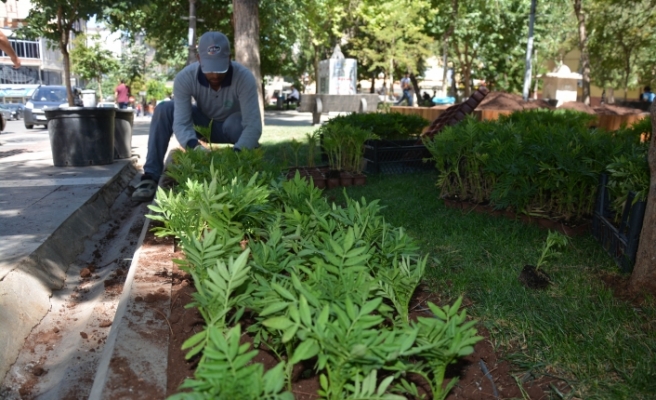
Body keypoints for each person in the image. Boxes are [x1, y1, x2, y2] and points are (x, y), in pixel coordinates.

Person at [132, 31, 262, 202]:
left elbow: (253, 125)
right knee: (164, 109)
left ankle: (247, 167)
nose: (215, 75)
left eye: (220, 68)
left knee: (237, 124)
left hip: (231, 126)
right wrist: (194, 146)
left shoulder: (244, 78)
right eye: (210, 69)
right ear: (199, 59)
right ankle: (150, 176)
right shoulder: (185, 78)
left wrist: (234, 155)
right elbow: (181, 123)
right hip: (202, 124)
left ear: (229, 58)